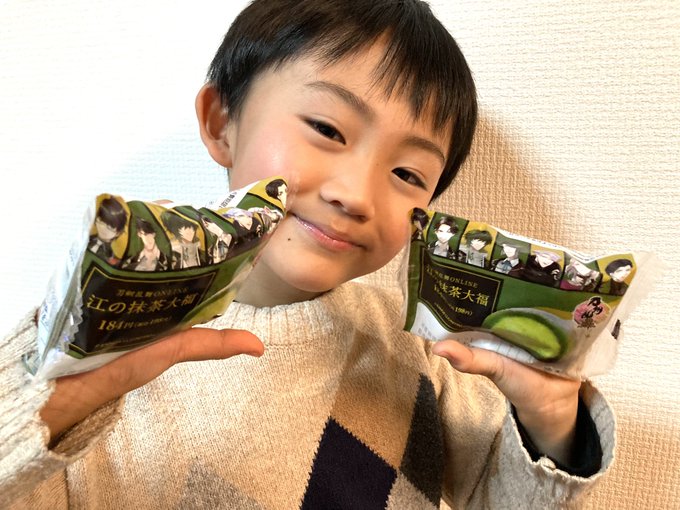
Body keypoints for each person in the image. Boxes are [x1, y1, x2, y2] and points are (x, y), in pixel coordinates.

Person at [1, 1, 614, 508]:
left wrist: (552, 422)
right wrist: (43, 411)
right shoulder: (96, 339)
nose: (355, 195)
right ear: (221, 122)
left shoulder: (430, 356)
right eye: (327, 129)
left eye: (407, 173)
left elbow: (499, 496)